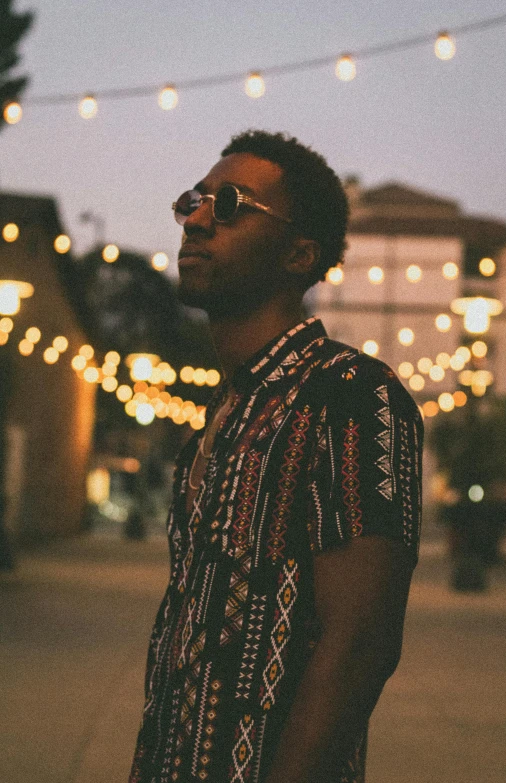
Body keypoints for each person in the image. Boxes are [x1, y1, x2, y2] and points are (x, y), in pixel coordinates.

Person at [129, 130, 423, 783]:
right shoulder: (214, 423)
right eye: (196, 199)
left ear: (299, 254)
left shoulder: (351, 397)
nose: (198, 218)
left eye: (230, 203)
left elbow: (359, 647)